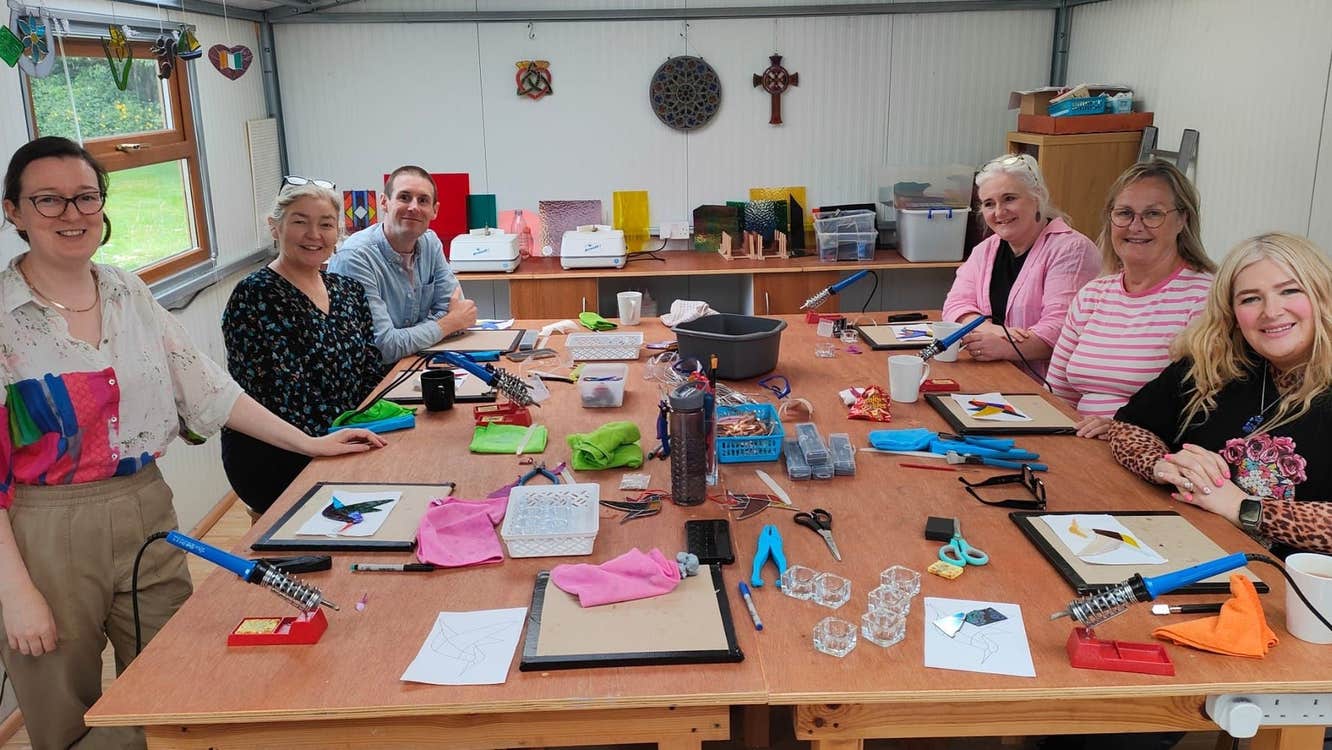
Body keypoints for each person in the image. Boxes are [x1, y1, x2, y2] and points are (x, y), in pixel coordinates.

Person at [0, 136, 386, 750]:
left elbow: (211, 392)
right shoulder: (5, 316)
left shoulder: (128, 293)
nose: (72, 214)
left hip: (147, 506)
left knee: (181, 679)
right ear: (14, 211)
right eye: (48, 200)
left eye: (85, 197)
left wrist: (311, 445)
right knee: (65, 711)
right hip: (43, 527)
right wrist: (14, 592)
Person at [1110, 232, 1332, 557]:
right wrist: (1163, 465)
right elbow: (1129, 427)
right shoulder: (1214, 364)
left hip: (1294, 588)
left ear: (1322, 296)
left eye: (1290, 291)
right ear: (1231, 312)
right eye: (1250, 299)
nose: (1271, 311)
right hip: (1187, 547)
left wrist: (1243, 507)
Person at [221, 181, 389, 515]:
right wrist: (342, 439)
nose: (314, 234)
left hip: (343, 435)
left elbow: (370, 369)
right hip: (278, 454)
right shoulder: (255, 295)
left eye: (325, 224)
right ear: (275, 226)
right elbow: (279, 396)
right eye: (300, 221)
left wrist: (376, 423)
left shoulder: (347, 291)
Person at [1046, 160, 1216, 439]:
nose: (1136, 226)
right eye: (1124, 213)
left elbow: (1201, 411)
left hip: (1149, 454)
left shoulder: (1203, 298)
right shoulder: (1092, 295)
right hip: (1080, 446)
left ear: (1182, 219)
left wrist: (1125, 429)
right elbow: (1056, 394)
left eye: (1153, 214)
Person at [941, 153, 1100, 379]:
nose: (999, 212)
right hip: (992, 374)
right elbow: (955, 305)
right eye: (989, 204)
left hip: (1046, 388)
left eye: (1009, 199)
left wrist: (1003, 346)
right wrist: (990, 330)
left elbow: (1060, 330)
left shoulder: (1072, 250)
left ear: (1037, 198)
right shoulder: (985, 250)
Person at [328, 165, 477, 364]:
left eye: (423, 200)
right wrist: (447, 324)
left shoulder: (430, 243)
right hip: (373, 382)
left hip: (414, 363)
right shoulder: (355, 257)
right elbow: (385, 347)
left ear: (435, 210)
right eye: (404, 197)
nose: (413, 207)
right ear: (384, 202)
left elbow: (456, 309)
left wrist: (410, 336)